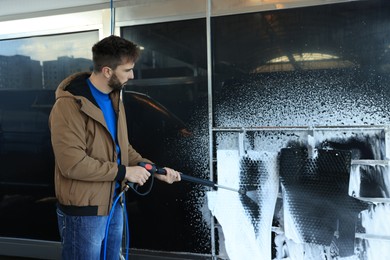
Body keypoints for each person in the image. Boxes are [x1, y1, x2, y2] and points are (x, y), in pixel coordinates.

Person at [49, 35, 181, 260]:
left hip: (114, 202)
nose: (132, 75)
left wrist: (149, 167)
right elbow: (72, 164)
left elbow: (122, 148)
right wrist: (125, 172)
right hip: (85, 213)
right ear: (107, 71)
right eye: (127, 70)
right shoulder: (68, 106)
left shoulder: (114, 98)